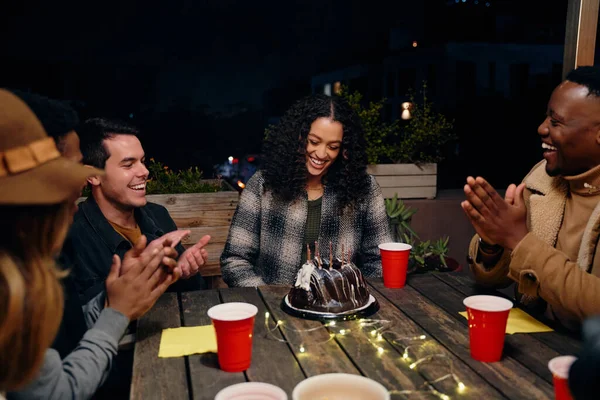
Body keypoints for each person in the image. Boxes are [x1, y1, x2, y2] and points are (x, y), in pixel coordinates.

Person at [6, 92, 185, 400]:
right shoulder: (18, 280)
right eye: (72, 174)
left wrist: (118, 295)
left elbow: (69, 329)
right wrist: (117, 311)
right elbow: (56, 392)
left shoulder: (28, 267)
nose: (75, 194)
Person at [461, 65, 600, 329]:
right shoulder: (542, 180)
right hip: (533, 347)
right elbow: (494, 281)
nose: (541, 129)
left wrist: (517, 238)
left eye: (556, 122)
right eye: (546, 118)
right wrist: (493, 246)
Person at [221, 93, 393, 287]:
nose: (321, 153)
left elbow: (379, 260)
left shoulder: (364, 189)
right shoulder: (263, 184)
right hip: (274, 310)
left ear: (345, 149)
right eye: (313, 141)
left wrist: (353, 298)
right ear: (298, 136)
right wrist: (269, 298)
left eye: (333, 146)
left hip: (339, 309)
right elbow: (234, 260)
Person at [65, 117, 210, 303]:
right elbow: (78, 316)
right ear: (92, 176)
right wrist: (134, 276)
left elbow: (190, 297)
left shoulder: (158, 215)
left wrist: (183, 272)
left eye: (142, 161)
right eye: (128, 164)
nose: (144, 171)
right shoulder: (72, 235)